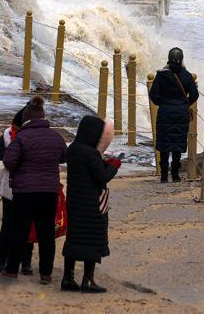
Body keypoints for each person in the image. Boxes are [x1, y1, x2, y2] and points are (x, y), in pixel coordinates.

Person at [1, 96, 68, 285]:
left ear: (27, 119)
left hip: (24, 192)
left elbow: (9, 161)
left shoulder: (22, 137)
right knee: (46, 233)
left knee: (19, 231)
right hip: (48, 191)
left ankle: (12, 270)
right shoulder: (56, 136)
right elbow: (64, 157)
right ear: (43, 117)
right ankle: (46, 274)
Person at [61, 116, 121, 293]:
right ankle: (88, 281)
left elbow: (85, 171)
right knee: (92, 240)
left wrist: (102, 163)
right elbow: (102, 178)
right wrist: (114, 165)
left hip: (75, 201)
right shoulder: (90, 153)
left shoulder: (73, 149)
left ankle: (67, 278)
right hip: (92, 204)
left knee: (74, 238)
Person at [0, 104, 34, 275]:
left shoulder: (21, 135)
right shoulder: (8, 134)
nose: (13, 128)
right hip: (15, 188)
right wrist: (12, 154)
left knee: (21, 227)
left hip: (22, 187)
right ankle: (6, 262)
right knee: (12, 227)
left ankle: (21, 263)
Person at [149, 47, 199, 183]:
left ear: (168, 59)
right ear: (182, 59)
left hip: (165, 112)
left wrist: (163, 103)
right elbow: (195, 94)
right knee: (177, 143)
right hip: (181, 113)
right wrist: (184, 104)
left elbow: (153, 95)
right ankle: (176, 175)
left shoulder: (161, 75)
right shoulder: (187, 75)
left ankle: (164, 176)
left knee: (164, 143)